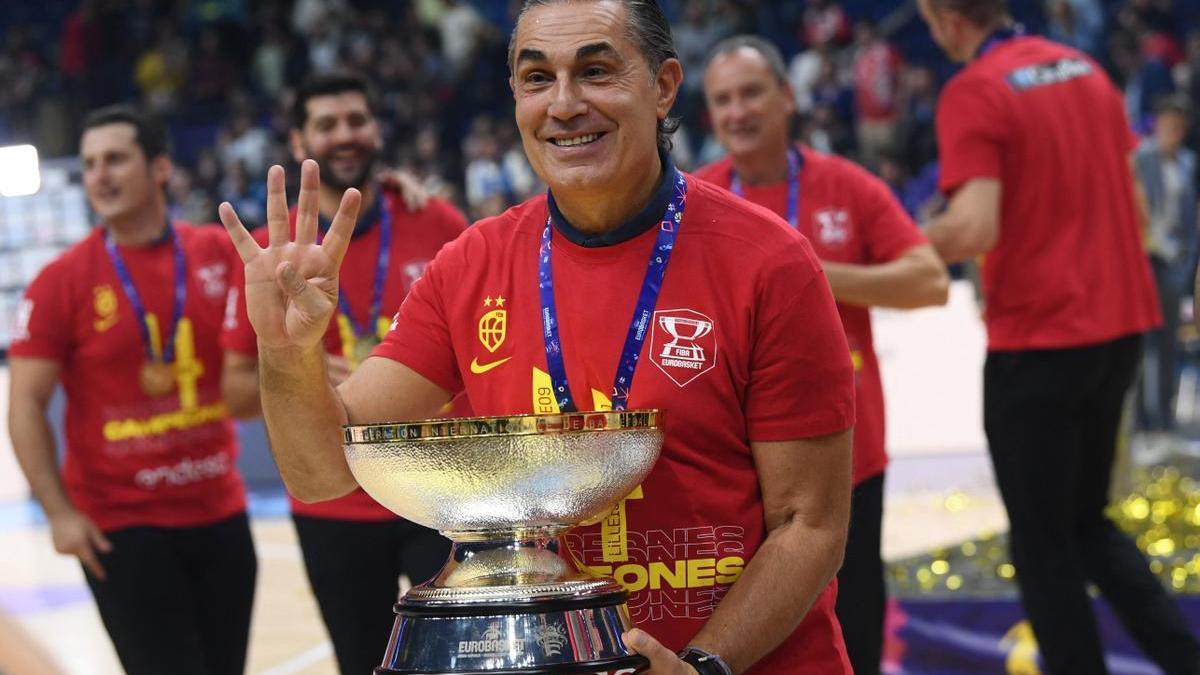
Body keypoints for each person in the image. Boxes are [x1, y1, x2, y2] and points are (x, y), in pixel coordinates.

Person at [219, 1, 858, 673]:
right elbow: (320, 472)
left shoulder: (770, 261)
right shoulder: (472, 264)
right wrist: (288, 354)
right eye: (536, 78)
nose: (564, 103)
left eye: (595, 70)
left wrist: (703, 666)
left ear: (664, 85)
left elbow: (808, 523)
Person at [917, 1, 1200, 672]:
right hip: (1116, 330)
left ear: (942, 18)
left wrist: (896, 243)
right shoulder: (1086, 70)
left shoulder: (974, 91)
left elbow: (974, 227)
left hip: (1039, 340)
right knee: (1087, 525)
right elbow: (1133, 207)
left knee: (1043, 546)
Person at [695, 35, 949, 675]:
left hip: (845, 456)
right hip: (731, 463)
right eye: (722, 100)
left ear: (787, 97)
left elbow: (930, 280)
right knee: (743, 631)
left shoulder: (847, 186)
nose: (738, 111)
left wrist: (807, 274)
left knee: (853, 626)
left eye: (752, 92)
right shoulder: (692, 201)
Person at [221, 72, 468, 675]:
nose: (344, 134)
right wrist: (299, 368)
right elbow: (231, 392)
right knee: (362, 663)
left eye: (356, 119)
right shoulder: (268, 258)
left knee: (466, 662)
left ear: (376, 128)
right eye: (326, 124)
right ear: (300, 137)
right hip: (335, 509)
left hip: (436, 495)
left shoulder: (435, 220)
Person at [6, 105, 256, 675]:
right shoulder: (61, 281)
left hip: (220, 514)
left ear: (161, 168)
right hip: (123, 530)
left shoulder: (217, 253)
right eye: (91, 163)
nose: (100, 175)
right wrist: (58, 514)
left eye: (116, 158)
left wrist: (391, 189)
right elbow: (23, 404)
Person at [1134, 94, 1197, 436]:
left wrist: (1186, 260)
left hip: (1173, 261)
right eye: (1169, 124)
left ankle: (1166, 418)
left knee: (1168, 344)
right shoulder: (1142, 158)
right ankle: (1144, 419)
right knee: (1144, 345)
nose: (1174, 131)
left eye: (1179, 126)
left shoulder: (1186, 162)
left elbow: (1189, 221)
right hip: (1145, 259)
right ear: (1157, 124)